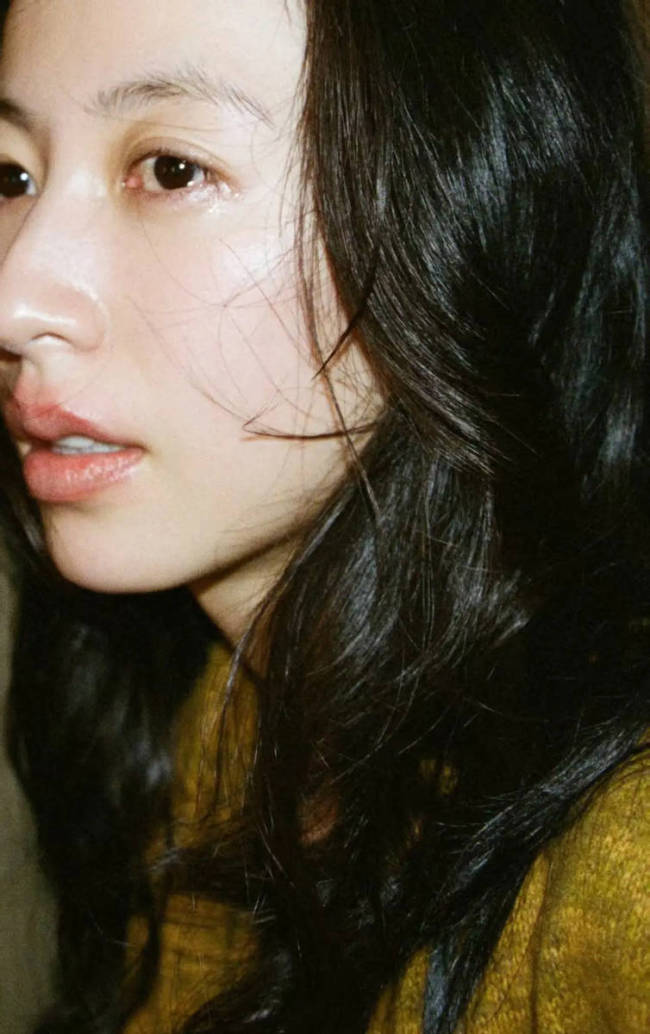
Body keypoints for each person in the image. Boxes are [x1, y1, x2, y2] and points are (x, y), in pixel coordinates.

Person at [0, 0, 647, 1032]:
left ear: (474, 204)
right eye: (12, 176)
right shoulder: (214, 725)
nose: (15, 297)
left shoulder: (620, 867)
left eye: (172, 169)